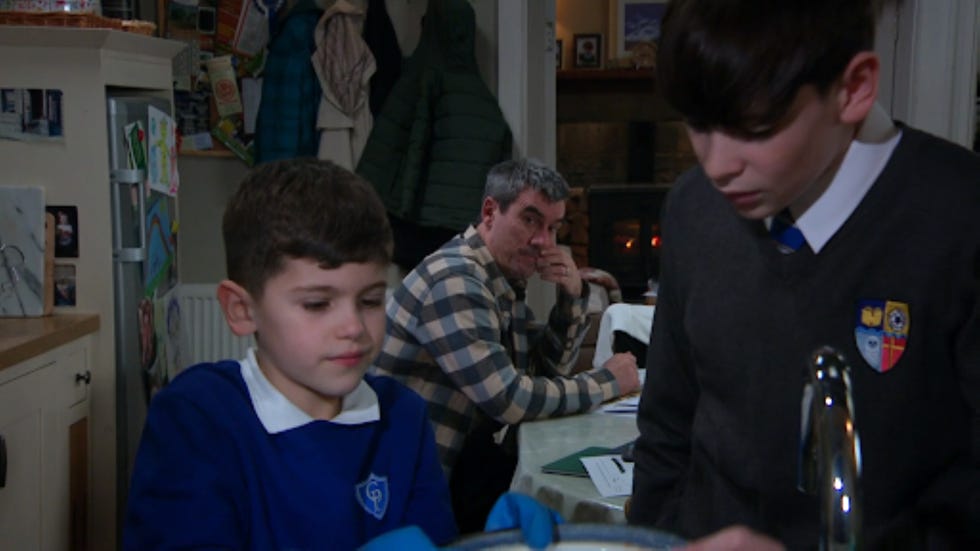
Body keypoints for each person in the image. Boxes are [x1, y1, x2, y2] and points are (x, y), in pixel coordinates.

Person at [627, 0, 980, 549]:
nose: (717, 165)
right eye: (697, 123)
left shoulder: (960, 217)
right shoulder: (692, 208)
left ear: (854, 87)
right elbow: (667, 428)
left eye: (755, 127)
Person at [123, 159, 457, 549]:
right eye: (317, 304)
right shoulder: (197, 418)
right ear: (242, 310)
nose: (353, 327)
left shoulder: (403, 417)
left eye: (370, 300)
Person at [373, 158, 642, 533]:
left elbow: (546, 372)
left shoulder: (496, 276)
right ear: (489, 212)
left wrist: (572, 297)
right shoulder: (457, 280)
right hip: (418, 484)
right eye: (530, 220)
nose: (542, 242)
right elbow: (511, 400)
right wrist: (609, 381)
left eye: (552, 228)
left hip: (464, 464)